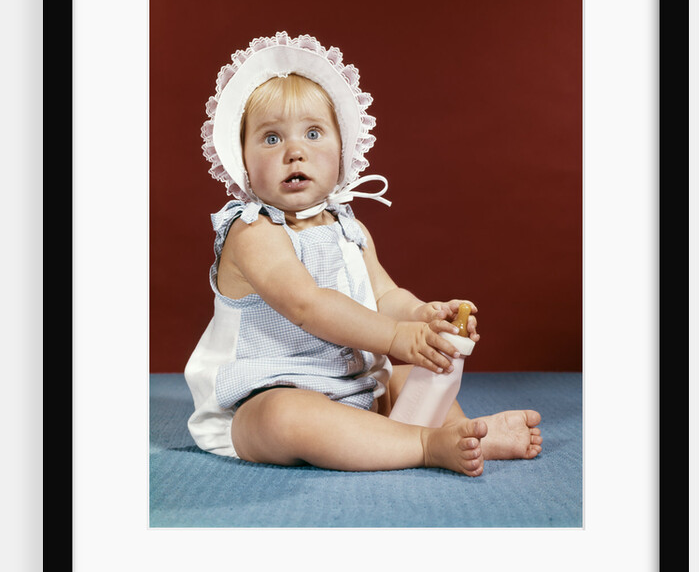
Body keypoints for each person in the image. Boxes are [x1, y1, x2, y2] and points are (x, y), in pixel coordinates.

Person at [185, 31, 542, 476]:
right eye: (271, 139)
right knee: (287, 417)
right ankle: (425, 444)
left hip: (356, 387)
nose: (295, 151)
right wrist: (395, 338)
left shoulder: (347, 227)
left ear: (342, 150)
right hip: (263, 395)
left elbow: (384, 294)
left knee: (411, 374)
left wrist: (420, 316)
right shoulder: (252, 230)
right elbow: (306, 305)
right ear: (242, 160)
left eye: (313, 133)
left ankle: (469, 434)